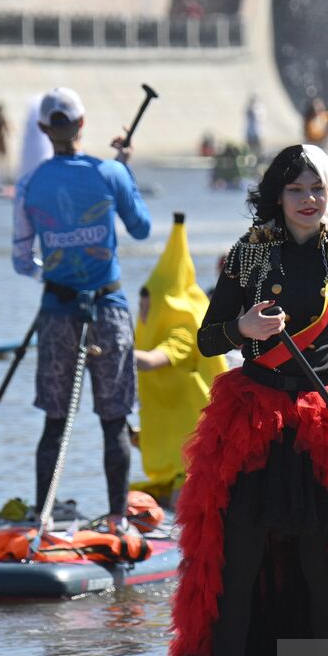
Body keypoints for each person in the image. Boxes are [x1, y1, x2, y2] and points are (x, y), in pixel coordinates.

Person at [165, 144, 328, 656]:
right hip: (252, 425)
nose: (308, 200)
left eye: (317, 189)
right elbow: (206, 339)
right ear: (277, 196)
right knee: (237, 566)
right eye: (296, 190)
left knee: (327, 574)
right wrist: (243, 327)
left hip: (324, 430)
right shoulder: (250, 254)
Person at [13, 87, 151, 532]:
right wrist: (123, 173)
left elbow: (20, 260)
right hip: (108, 311)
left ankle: (42, 517)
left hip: (55, 313)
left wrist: (53, 273)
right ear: (83, 125)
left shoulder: (30, 184)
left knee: (55, 421)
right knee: (114, 420)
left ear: (43, 130)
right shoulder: (109, 172)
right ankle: (117, 519)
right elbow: (141, 227)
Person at [131, 213, 228, 507]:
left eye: (148, 304)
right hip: (169, 457)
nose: (143, 311)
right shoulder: (153, 330)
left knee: (180, 505)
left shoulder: (184, 329)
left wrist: (113, 350)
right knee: (136, 500)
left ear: (165, 303)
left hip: (191, 456)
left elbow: (151, 361)